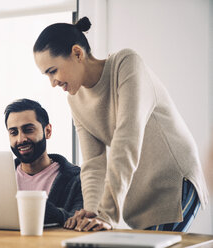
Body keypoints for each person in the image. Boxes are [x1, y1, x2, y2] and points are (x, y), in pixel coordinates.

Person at [33, 16, 208, 232]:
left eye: (53, 71)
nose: (52, 83)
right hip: (139, 194)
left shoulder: (126, 64)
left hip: (173, 182)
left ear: (77, 53)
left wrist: (107, 214)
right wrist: (92, 212)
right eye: (46, 75)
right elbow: (94, 164)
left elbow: (127, 139)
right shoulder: (75, 100)